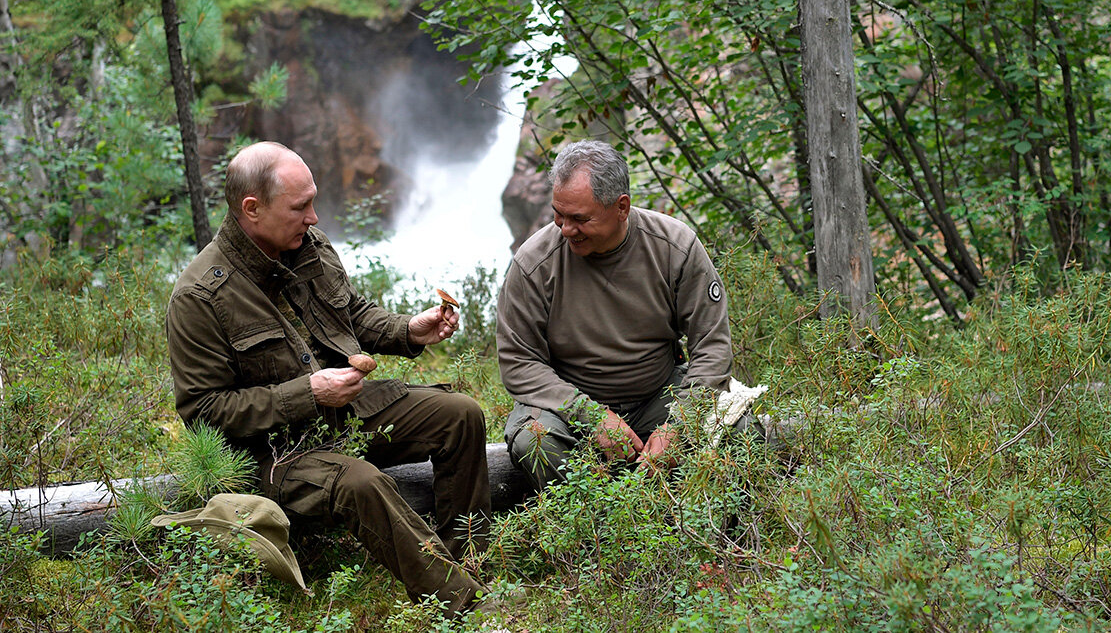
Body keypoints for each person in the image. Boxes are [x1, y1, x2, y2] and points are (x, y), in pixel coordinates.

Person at [166, 141, 490, 617]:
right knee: (361, 482)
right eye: (300, 207)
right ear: (252, 209)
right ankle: (464, 605)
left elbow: (349, 313)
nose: (314, 217)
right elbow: (204, 412)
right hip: (274, 454)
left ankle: (467, 562)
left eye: (313, 202)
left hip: (344, 416)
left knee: (460, 415)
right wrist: (309, 393)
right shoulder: (199, 297)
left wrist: (407, 330)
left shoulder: (307, 244)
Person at [497, 139, 733, 491]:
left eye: (580, 219)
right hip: (569, 408)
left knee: (738, 429)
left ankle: (680, 513)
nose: (565, 229)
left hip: (658, 396)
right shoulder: (533, 262)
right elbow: (518, 362)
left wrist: (679, 426)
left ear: (621, 207)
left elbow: (712, 347)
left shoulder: (675, 247)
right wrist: (590, 415)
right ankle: (596, 517)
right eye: (558, 214)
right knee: (534, 441)